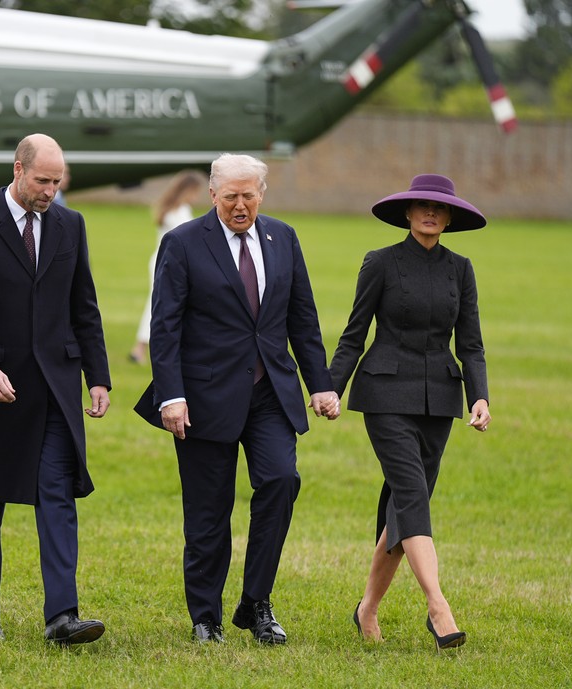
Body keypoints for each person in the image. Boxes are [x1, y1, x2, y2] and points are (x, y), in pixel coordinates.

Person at [135, 153, 340, 645]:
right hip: (202, 397)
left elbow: (302, 318)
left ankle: (256, 603)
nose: (241, 205)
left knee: (281, 480)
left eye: (249, 195)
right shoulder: (182, 243)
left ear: (262, 194)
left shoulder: (283, 237)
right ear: (212, 195)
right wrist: (172, 396)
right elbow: (165, 327)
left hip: (269, 391)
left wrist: (322, 383)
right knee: (208, 512)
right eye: (231, 197)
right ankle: (206, 618)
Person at [0, 133, 111, 644]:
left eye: (57, 182)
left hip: (57, 388)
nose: (50, 191)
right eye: (42, 180)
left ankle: (62, 615)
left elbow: (84, 304)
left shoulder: (70, 225)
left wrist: (98, 375)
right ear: (18, 170)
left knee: (57, 496)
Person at [328, 174, 491, 651]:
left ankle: (367, 609)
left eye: (439, 209)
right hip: (384, 396)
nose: (430, 214)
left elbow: (472, 344)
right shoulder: (380, 263)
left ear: (449, 218)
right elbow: (354, 333)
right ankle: (438, 607)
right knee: (412, 493)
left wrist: (479, 396)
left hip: (440, 399)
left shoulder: (460, 269)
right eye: (422, 206)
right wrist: (329, 388)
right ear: (407, 212)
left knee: (404, 505)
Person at [129, 170, 207, 365]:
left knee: (163, 304)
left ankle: (149, 348)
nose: (197, 196)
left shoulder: (174, 209)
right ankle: (140, 348)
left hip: (162, 260)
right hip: (167, 262)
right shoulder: (178, 212)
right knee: (158, 305)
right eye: (196, 191)